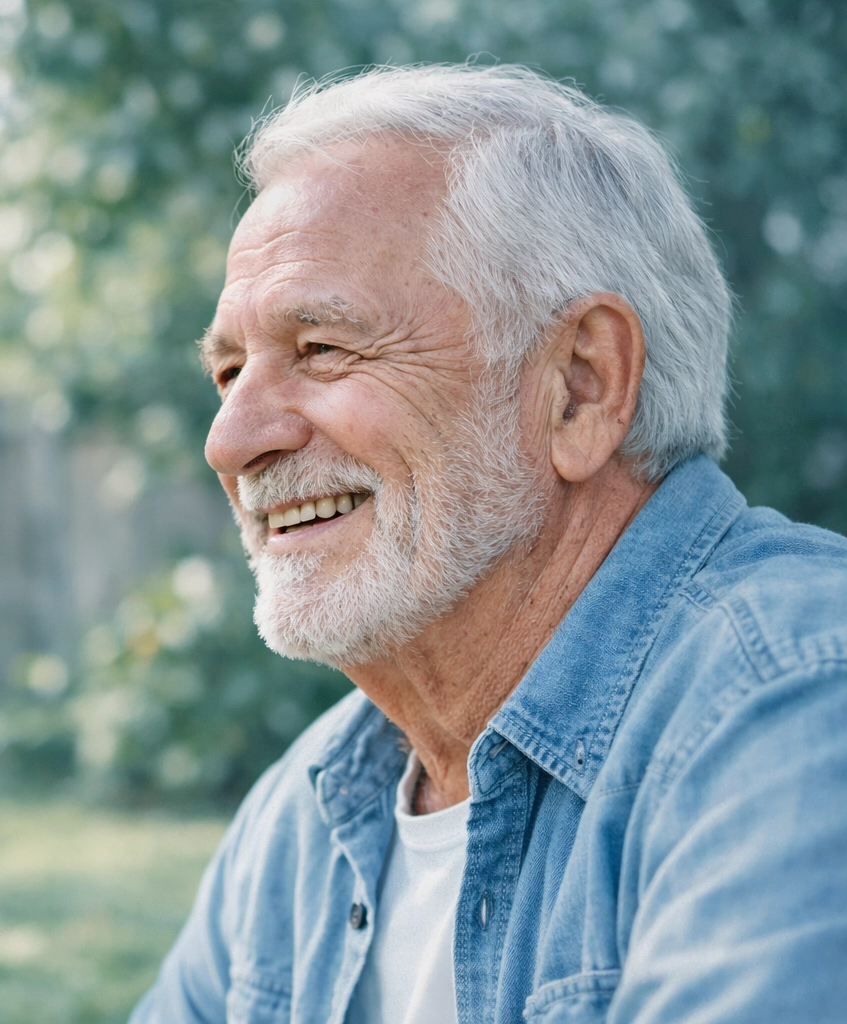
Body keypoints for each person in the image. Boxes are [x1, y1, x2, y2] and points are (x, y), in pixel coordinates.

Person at [132, 64, 847, 1024]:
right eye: (227, 370)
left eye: (323, 349)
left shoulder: (794, 700)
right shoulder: (308, 810)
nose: (230, 440)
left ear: (581, 386)